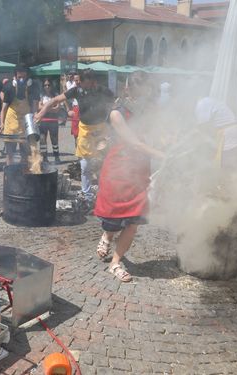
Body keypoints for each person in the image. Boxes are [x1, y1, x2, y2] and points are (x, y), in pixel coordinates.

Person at [93, 73, 165, 282]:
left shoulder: (148, 111)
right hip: (119, 168)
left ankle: (115, 263)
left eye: (147, 93)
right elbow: (135, 143)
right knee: (114, 216)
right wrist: (164, 155)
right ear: (129, 91)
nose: (144, 97)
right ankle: (107, 235)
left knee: (133, 221)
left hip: (140, 168)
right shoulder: (117, 113)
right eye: (140, 93)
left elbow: (158, 132)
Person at [35, 70, 114, 206]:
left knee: (103, 163)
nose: (88, 87)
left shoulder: (103, 90)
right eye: (85, 84)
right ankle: (87, 196)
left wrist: (109, 125)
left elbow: (114, 104)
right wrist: (42, 112)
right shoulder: (76, 90)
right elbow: (55, 100)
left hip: (101, 129)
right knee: (85, 165)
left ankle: (104, 194)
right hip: (85, 129)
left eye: (91, 83)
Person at [0, 64, 39, 166]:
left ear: (28, 77)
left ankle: (24, 175)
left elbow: (35, 107)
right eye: (19, 77)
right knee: (10, 153)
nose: (22, 79)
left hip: (26, 121)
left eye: (24, 77)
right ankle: (9, 173)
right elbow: (4, 109)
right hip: (11, 121)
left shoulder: (33, 86)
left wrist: (36, 119)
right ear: (15, 77)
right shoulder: (9, 87)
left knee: (25, 153)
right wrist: (1, 124)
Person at [194, 96, 237, 170]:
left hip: (228, 138)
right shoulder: (212, 100)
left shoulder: (202, 103)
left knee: (224, 169)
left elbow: (203, 126)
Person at [37, 78, 61, 163]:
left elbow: (57, 108)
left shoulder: (55, 95)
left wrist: (45, 107)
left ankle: (56, 157)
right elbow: (39, 107)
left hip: (53, 120)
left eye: (48, 85)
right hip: (43, 120)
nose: (47, 87)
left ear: (51, 86)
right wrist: (51, 107)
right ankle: (44, 158)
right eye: (45, 85)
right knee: (42, 139)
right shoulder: (41, 95)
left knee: (54, 139)